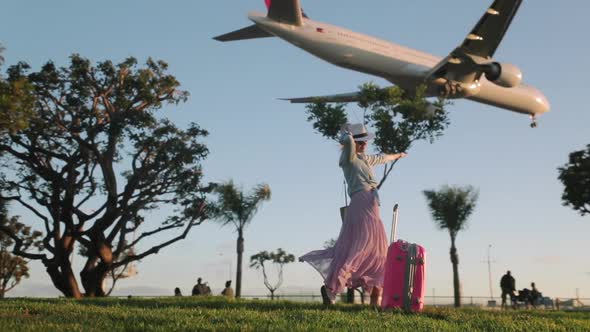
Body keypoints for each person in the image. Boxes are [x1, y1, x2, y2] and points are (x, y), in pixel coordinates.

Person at [300, 123, 407, 305]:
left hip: (373, 207)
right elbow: (347, 141)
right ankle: (331, 289)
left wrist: (399, 155)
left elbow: (382, 158)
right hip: (360, 203)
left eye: (365, 141)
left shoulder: (365, 160)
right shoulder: (348, 158)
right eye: (360, 141)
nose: (364, 144)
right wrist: (347, 134)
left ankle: (375, 299)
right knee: (359, 248)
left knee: (376, 250)